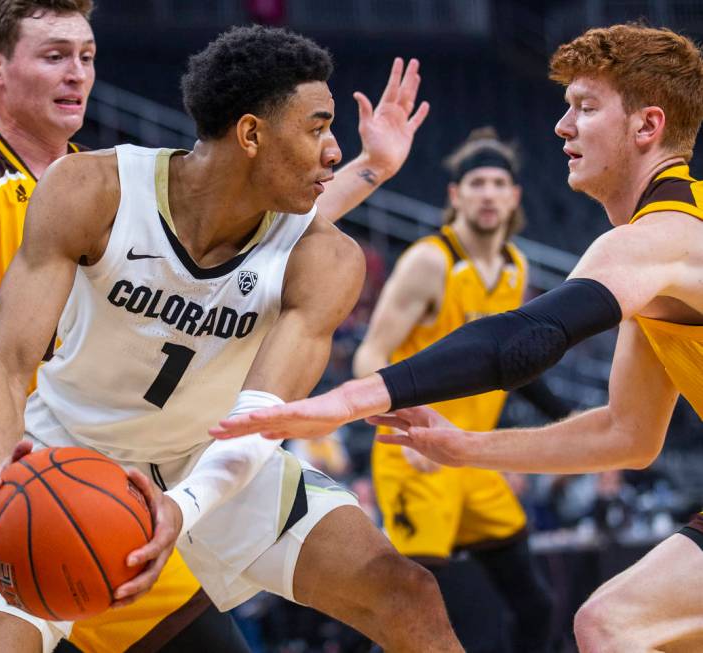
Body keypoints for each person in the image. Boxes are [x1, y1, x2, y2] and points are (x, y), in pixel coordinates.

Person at [0, 1, 429, 651]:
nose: (77, 75)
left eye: (87, 57)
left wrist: (367, 171)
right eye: (55, 55)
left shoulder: (113, 193)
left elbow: (257, 235)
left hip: (105, 491)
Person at [212, 23, 703, 652]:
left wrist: (355, 398)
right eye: (565, 108)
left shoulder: (658, 239)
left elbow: (524, 340)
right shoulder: (657, 253)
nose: (562, 126)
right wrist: (465, 447)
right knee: (608, 623)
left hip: (419, 415)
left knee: (605, 622)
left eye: (585, 107)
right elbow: (627, 435)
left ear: (647, 126)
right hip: (424, 460)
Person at [356, 127, 558, 652]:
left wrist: (570, 415)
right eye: (476, 182)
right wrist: (409, 426)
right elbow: (369, 356)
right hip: (417, 455)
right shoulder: (431, 261)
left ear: (513, 196)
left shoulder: (516, 266)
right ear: (456, 195)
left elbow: (514, 367)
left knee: (537, 606)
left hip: (473, 458)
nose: (488, 192)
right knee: (408, 612)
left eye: (498, 183)